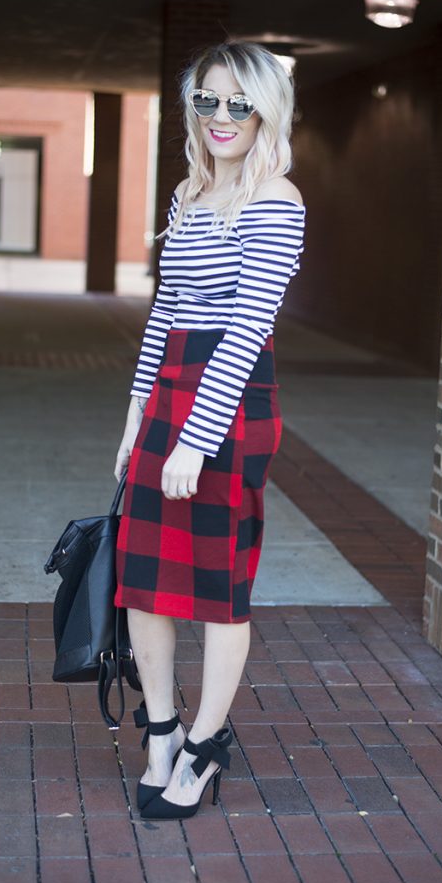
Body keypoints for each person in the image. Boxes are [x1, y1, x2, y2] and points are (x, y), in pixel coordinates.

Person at [113, 41, 306, 820]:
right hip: (167, 396)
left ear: (266, 111)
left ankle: (204, 745)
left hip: (227, 407)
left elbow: (243, 327)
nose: (222, 117)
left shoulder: (276, 202)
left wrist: (196, 438)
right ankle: (160, 732)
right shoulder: (188, 195)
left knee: (220, 588)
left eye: (239, 103)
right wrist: (135, 419)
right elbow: (165, 314)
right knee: (143, 579)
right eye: (208, 100)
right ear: (191, 107)